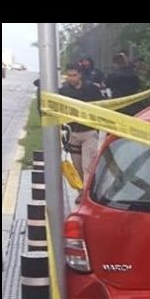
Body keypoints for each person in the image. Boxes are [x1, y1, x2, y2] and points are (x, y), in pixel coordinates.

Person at [59, 63, 104, 203]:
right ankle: (81, 192)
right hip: (72, 133)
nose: (71, 78)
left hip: (89, 132)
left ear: (80, 75)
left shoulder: (92, 89)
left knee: (88, 165)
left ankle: (88, 195)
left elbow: (103, 106)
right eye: (69, 75)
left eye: (74, 75)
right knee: (77, 166)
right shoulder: (63, 91)